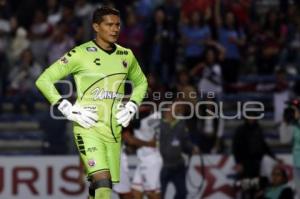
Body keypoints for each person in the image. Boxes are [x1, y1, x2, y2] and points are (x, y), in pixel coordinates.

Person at [35, 6, 148, 199]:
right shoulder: (80, 53)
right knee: (103, 186)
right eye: (109, 25)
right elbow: (43, 80)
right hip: (88, 126)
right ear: (96, 27)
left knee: (101, 189)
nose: (115, 29)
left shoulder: (126, 55)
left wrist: (131, 106)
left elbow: (141, 82)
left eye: (117, 25)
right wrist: (67, 109)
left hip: (113, 130)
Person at [158, 102, 199, 199]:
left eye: (176, 109)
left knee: (182, 193)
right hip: (162, 166)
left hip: (178, 165)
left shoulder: (181, 124)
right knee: (160, 194)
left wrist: (192, 148)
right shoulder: (159, 125)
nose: (175, 111)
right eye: (172, 109)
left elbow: (185, 141)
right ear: (166, 111)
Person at [130, 107, 162, 199]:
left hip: (151, 160)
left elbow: (131, 140)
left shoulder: (147, 119)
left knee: (153, 194)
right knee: (136, 191)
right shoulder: (156, 116)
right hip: (143, 159)